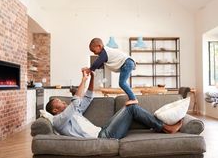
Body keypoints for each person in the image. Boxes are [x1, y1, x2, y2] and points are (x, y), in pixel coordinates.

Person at [46, 71, 182, 139]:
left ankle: (160, 127)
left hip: (103, 129)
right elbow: (75, 101)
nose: (64, 101)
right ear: (55, 109)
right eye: (60, 101)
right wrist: (83, 80)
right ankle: (164, 128)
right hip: (104, 137)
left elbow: (87, 97)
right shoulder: (59, 120)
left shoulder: (73, 113)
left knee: (128, 106)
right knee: (132, 107)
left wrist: (92, 78)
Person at [82, 37, 138, 106]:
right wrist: (91, 69)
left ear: (99, 46)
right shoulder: (104, 54)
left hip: (127, 63)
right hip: (127, 63)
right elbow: (100, 64)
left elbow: (97, 63)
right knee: (122, 83)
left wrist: (90, 69)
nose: (94, 53)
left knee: (122, 83)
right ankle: (132, 98)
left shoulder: (105, 52)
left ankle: (133, 98)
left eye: (94, 51)